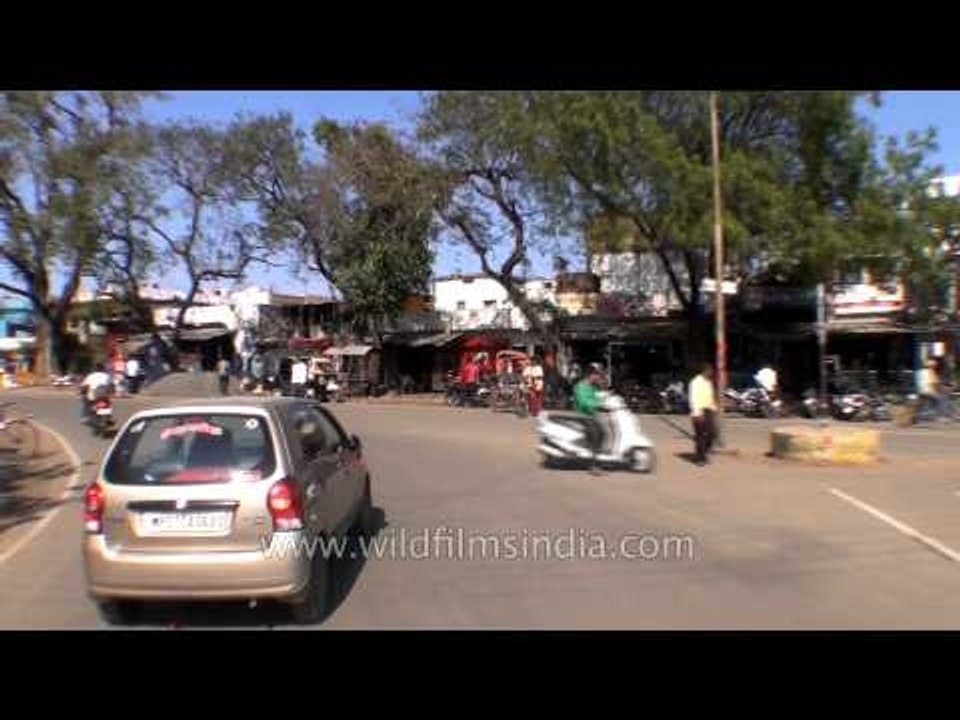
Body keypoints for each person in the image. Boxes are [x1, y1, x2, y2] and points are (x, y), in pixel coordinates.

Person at [573, 365, 606, 474]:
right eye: (596, 375)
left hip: (591, 415)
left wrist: (605, 399)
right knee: (596, 433)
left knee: (603, 432)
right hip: (582, 415)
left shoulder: (592, 387)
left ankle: (595, 455)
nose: (597, 377)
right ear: (590, 375)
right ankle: (593, 465)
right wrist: (599, 404)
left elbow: (597, 396)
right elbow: (584, 403)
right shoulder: (581, 386)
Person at [689, 364, 718, 466]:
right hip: (699, 411)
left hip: (708, 410)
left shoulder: (708, 382)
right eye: (709, 370)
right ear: (704, 371)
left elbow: (710, 396)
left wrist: (714, 408)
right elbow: (693, 398)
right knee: (701, 435)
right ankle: (700, 458)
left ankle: (702, 453)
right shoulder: (695, 382)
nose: (711, 372)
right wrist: (697, 413)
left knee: (712, 434)